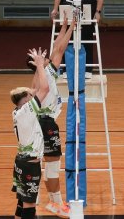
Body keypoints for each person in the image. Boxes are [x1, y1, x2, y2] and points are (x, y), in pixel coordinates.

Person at [26, 16, 75, 217]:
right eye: (39, 56)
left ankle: (52, 201)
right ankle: (56, 203)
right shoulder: (42, 74)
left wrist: (64, 25)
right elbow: (59, 50)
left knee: (49, 164)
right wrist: (74, 25)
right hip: (46, 123)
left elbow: (56, 48)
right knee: (53, 165)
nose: (45, 56)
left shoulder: (42, 73)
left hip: (41, 123)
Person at [10, 48, 50, 219]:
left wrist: (37, 67)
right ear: (26, 99)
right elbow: (44, 88)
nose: (32, 93)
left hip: (21, 162)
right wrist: (41, 65)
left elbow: (35, 88)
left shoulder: (18, 110)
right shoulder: (27, 111)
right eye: (29, 94)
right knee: (29, 206)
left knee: (21, 201)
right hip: (29, 165)